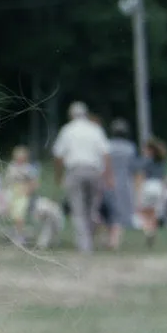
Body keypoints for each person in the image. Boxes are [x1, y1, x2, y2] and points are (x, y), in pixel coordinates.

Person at [52, 101, 111, 254]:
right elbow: (105, 153)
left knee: (78, 209)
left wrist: (58, 176)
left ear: (71, 115)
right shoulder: (95, 129)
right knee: (92, 208)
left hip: (75, 170)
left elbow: (58, 155)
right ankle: (90, 239)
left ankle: (84, 245)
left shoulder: (67, 130)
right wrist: (108, 175)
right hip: (94, 171)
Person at [104, 118, 137, 250]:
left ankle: (111, 239)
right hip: (124, 182)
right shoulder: (130, 148)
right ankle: (115, 240)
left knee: (110, 212)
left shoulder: (107, 146)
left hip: (108, 182)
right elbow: (133, 167)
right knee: (121, 212)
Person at [136, 136, 167, 248]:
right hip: (158, 187)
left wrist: (138, 192)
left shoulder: (145, 161)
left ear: (150, 150)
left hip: (148, 186)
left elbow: (141, 176)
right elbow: (164, 178)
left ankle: (148, 231)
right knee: (153, 213)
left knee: (143, 212)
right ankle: (153, 231)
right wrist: (164, 193)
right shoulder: (161, 161)